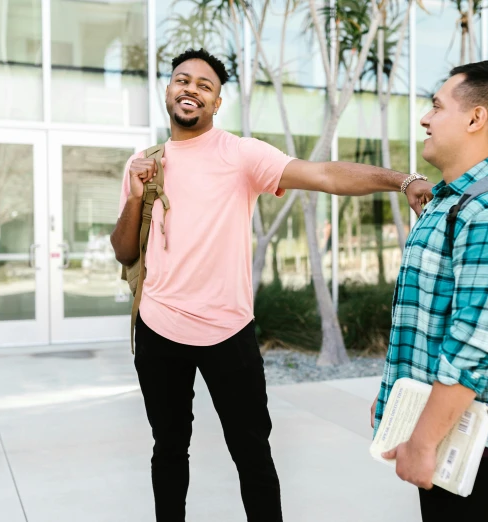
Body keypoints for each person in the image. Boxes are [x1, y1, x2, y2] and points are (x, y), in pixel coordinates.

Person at [110, 48, 434, 522]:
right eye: (183, 80)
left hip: (228, 333)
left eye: (205, 85)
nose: (191, 90)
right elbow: (123, 250)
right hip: (159, 329)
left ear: (217, 103)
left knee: (252, 456)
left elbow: (322, 174)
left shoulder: (240, 153)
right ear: (168, 90)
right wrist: (137, 196)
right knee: (169, 450)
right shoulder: (144, 163)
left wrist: (401, 179)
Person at [371, 60, 488, 521]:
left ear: (475, 119)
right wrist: (395, 394)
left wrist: (424, 440)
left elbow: (475, 342)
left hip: (470, 441)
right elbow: (429, 317)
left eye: (436, 107)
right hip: (440, 422)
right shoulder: (451, 200)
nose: (426, 119)